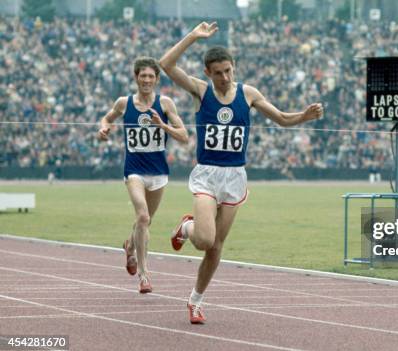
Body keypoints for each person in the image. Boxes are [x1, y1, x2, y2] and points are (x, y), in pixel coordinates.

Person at [159, 21, 324, 324]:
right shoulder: (200, 90)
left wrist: (305, 115)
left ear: (234, 68)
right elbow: (165, 64)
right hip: (208, 175)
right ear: (208, 73)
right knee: (205, 239)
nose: (224, 77)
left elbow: (283, 119)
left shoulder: (247, 94)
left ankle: (195, 300)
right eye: (218, 72)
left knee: (217, 247)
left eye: (228, 71)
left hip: (235, 176)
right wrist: (193, 37)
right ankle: (186, 228)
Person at [97, 57, 188, 293]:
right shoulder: (124, 103)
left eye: (151, 76)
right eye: (142, 76)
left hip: (158, 171)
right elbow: (107, 118)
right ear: (136, 77)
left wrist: (163, 126)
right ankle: (144, 274)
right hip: (134, 169)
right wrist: (104, 128)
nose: (146, 80)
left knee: (145, 221)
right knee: (143, 216)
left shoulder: (166, 104)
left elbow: (184, 136)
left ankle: (130, 246)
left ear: (157, 79)